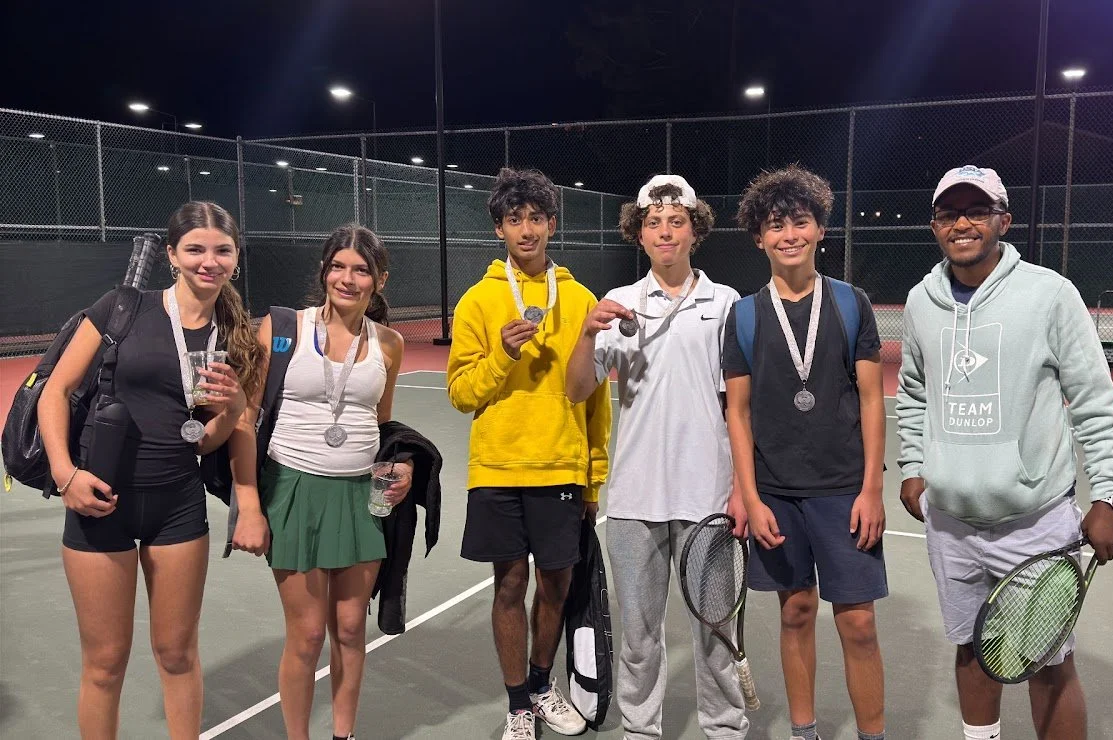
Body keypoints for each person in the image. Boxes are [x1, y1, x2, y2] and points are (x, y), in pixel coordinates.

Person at [896, 165, 1113, 740]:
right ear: (935, 226)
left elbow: (1094, 401)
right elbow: (913, 391)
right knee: (972, 649)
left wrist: (1106, 496)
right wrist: (912, 467)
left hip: (1034, 519)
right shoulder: (920, 302)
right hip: (949, 523)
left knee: (1046, 665)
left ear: (1004, 219)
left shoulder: (1050, 294)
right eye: (949, 214)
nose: (963, 224)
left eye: (977, 211)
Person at [37, 201, 260, 739]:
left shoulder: (234, 336)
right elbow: (56, 392)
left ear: (235, 257)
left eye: (222, 250)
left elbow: (206, 440)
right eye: (196, 249)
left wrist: (231, 409)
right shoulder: (123, 307)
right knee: (106, 663)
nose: (210, 261)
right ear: (172, 255)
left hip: (177, 505)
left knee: (178, 653)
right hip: (99, 502)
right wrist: (66, 475)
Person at [565, 174, 750, 739]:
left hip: (709, 495)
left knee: (718, 633)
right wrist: (583, 334)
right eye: (652, 223)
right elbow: (576, 389)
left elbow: (740, 407)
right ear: (638, 235)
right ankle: (640, 730)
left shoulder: (726, 304)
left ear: (696, 230)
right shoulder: (618, 307)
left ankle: (725, 728)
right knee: (640, 639)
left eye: (676, 221)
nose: (664, 232)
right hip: (634, 498)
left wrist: (743, 488)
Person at [722, 165, 888, 740]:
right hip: (778, 493)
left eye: (800, 222)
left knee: (859, 624)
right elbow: (737, 413)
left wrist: (872, 488)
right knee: (795, 612)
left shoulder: (850, 303)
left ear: (820, 229)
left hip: (844, 491)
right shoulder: (743, 315)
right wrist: (749, 493)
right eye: (775, 225)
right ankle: (804, 732)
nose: (789, 234)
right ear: (758, 237)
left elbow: (871, 400)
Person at [446, 168, 612, 740]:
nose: (526, 230)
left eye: (536, 218)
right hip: (497, 468)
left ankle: (544, 684)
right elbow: (462, 393)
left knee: (557, 587)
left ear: (551, 224)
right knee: (510, 585)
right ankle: (519, 702)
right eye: (514, 220)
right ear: (499, 230)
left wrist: (593, 477)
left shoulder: (582, 299)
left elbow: (595, 397)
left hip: (561, 466)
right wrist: (502, 356)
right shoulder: (478, 301)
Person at [233, 224, 411, 740]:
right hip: (293, 491)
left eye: (361, 270)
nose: (348, 279)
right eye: (338, 266)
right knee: (308, 634)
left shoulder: (390, 344)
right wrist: (248, 503)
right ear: (324, 271)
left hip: (362, 496)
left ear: (379, 279)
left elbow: (383, 427)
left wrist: (401, 468)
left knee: (352, 629)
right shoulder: (282, 327)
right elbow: (246, 419)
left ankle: (343, 734)